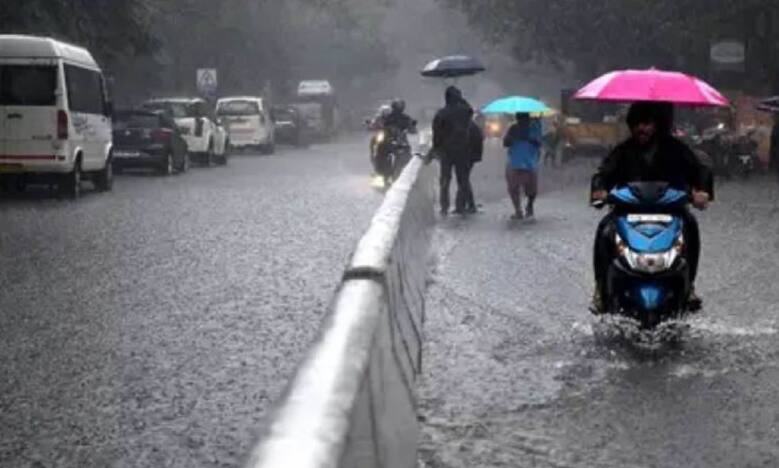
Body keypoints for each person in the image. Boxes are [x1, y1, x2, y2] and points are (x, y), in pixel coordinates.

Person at [589, 101, 714, 314]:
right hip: (627, 210)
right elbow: (603, 173)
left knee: (690, 226)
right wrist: (599, 191)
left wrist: (702, 191)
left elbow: (699, 169)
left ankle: (689, 285)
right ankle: (600, 289)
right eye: (636, 124)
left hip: (671, 210)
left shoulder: (676, 149)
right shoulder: (622, 150)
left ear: (656, 124)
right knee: (604, 230)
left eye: (646, 123)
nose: (641, 129)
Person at [432, 86, 475, 216]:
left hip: (446, 152)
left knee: (445, 180)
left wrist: (436, 149)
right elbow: (470, 110)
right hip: (463, 150)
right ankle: (463, 206)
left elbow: (436, 134)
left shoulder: (441, 114)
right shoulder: (465, 112)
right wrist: (462, 99)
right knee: (463, 179)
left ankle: (444, 207)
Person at [503, 113, 542, 219]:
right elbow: (539, 143)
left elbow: (505, 143)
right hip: (530, 163)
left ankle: (518, 210)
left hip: (515, 163)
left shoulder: (513, 128)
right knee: (531, 189)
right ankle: (529, 206)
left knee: (514, 188)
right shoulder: (534, 128)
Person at [464, 118, 484, 213]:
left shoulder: (467, 126)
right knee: (464, 179)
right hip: (470, 156)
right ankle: (464, 204)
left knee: (463, 179)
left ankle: (469, 205)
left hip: (467, 156)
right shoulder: (472, 125)